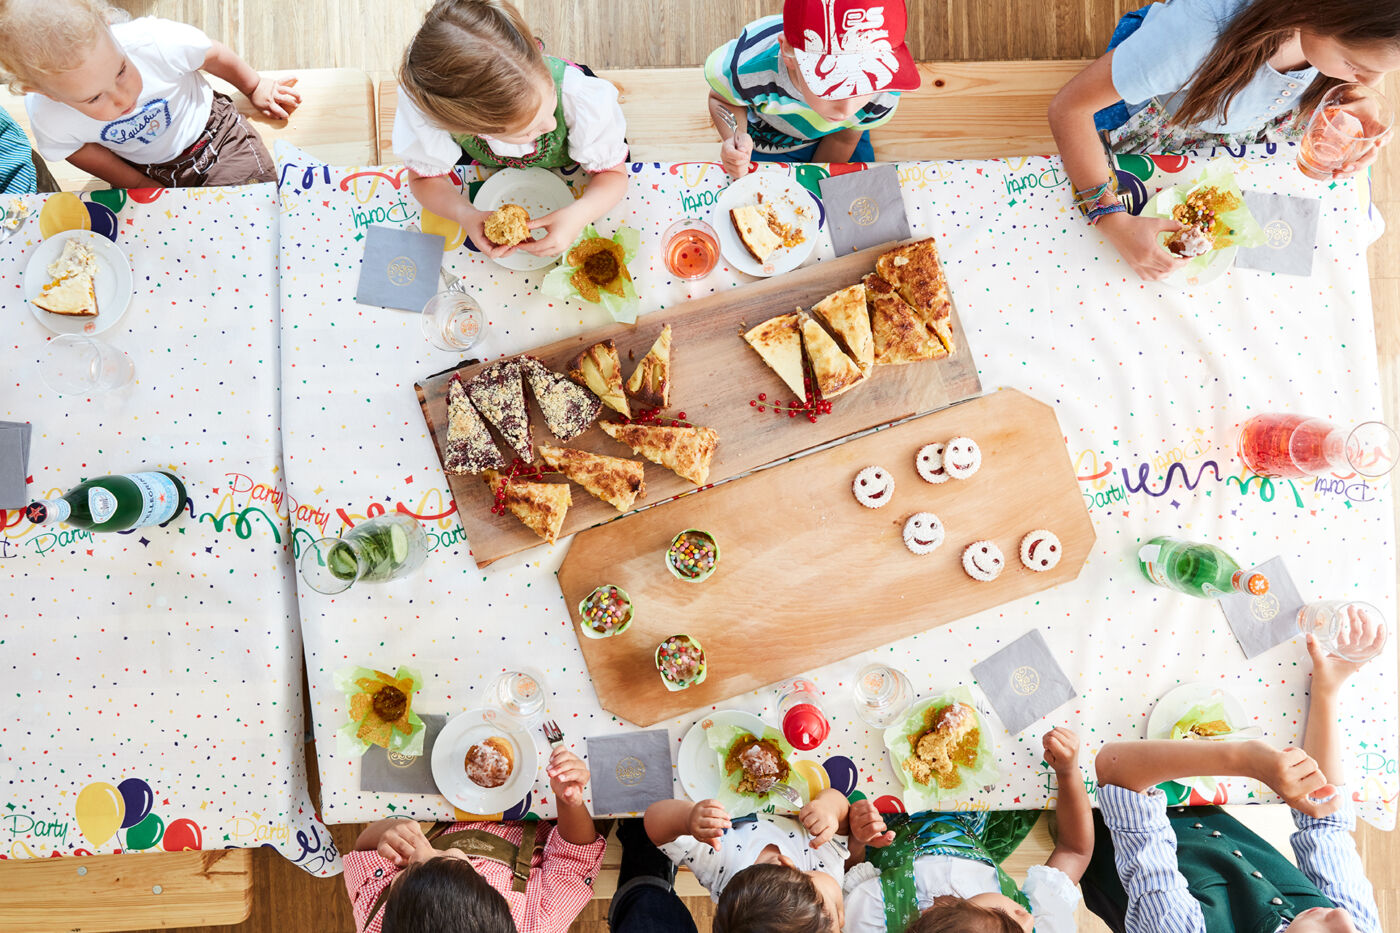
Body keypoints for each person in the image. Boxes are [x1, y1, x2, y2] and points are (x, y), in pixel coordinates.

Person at [1046, 1, 1400, 280]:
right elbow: (1067, 109)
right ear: (1311, 11)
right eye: (1355, 65)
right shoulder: (1193, 40)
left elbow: (1357, 70)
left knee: (1300, 248)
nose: (1371, 82)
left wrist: (1355, 98)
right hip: (1172, 115)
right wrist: (1113, 220)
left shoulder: (1326, 31)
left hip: (1249, 115)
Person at [1082, 631, 1382, 933]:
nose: (1342, 918)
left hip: (1088, 806)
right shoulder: (1354, 926)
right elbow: (1326, 822)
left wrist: (1247, 760)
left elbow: (1115, 771)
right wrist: (1326, 689)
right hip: (1181, 788)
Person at [393, 0, 629, 261]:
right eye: (527, 131)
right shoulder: (432, 115)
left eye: (550, 101)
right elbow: (423, 180)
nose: (551, 126)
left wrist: (580, 214)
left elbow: (614, 175)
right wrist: (464, 214)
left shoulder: (578, 97)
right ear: (472, 130)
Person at [0, 0, 299, 189]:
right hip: (144, 167)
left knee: (252, 212)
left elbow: (212, 54)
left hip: (214, 138)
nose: (123, 99)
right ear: (43, 92)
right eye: (93, 98)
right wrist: (135, 182)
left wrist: (254, 85)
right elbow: (74, 149)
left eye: (120, 71)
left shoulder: (152, 41)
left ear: (109, 26)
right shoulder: (46, 114)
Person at [844, 727, 1093, 933]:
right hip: (967, 823)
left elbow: (850, 870)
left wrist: (857, 839)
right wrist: (1068, 772)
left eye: (1004, 917)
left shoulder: (872, 914)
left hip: (886, 827)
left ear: (935, 909)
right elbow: (1073, 851)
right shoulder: (1042, 924)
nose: (1027, 918)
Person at [342, 746, 605, 933]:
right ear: (504, 902)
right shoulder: (539, 923)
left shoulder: (378, 919)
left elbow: (363, 850)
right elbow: (574, 857)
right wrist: (568, 801)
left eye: (409, 869)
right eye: (447, 856)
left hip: (436, 804)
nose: (424, 851)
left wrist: (392, 830)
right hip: (532, 805)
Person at [705, 0, 921, 178]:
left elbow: (843, 138)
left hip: (838, 136)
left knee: (861, 193)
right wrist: (735, 137)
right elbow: (722, 98)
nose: (846, 109)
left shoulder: (883, 91)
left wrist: (813, 182)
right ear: (788, 52)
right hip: (769, 136)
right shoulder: (749, 66)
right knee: (748, 182)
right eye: (830, 84)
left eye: (865, 82)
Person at [642, 787, 852, 931]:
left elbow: (654, 824)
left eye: (837, 910)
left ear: (787, 865)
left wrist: (687, 819)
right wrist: (829, 810)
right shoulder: (825, 867)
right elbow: (842, 814)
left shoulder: (719, 863)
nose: (843, 920)